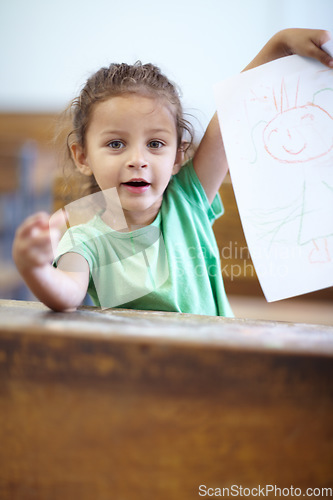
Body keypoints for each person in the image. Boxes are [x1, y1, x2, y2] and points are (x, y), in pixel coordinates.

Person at [12, 28, 333, 314]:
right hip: (144, 375)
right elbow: (67, 292)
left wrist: (279, 45)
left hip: (218, 365)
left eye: (155, 144)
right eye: (115, 144)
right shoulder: (85, 239)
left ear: (178, 155)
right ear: (82, 156)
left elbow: (234, 111)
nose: (138, 159)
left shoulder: (188, 199)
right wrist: (37, 269)